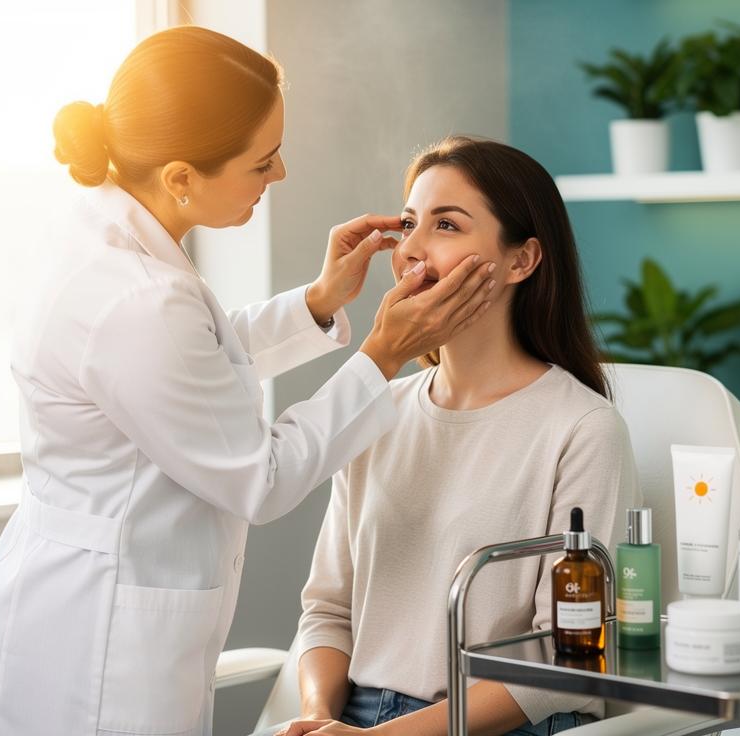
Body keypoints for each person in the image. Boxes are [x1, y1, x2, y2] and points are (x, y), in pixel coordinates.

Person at [0, 28, 493, 736]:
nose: (280, 176)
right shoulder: (135, 298)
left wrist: (318, 302)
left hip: (77, 599)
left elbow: (191, 364)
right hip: (97, 643)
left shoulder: (122, 246)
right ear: (181, 177)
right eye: (263, 161)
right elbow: (260, 477)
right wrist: (381, 354)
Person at [272, 137, 641, 736]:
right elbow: (329, 609)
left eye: (446, 225)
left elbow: (567, 657)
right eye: (411, 223)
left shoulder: (581, 429)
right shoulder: (376, 409)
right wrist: (317, 717)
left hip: (495, 724)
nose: (411, 251)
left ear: (522, 261)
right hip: (354, 717)